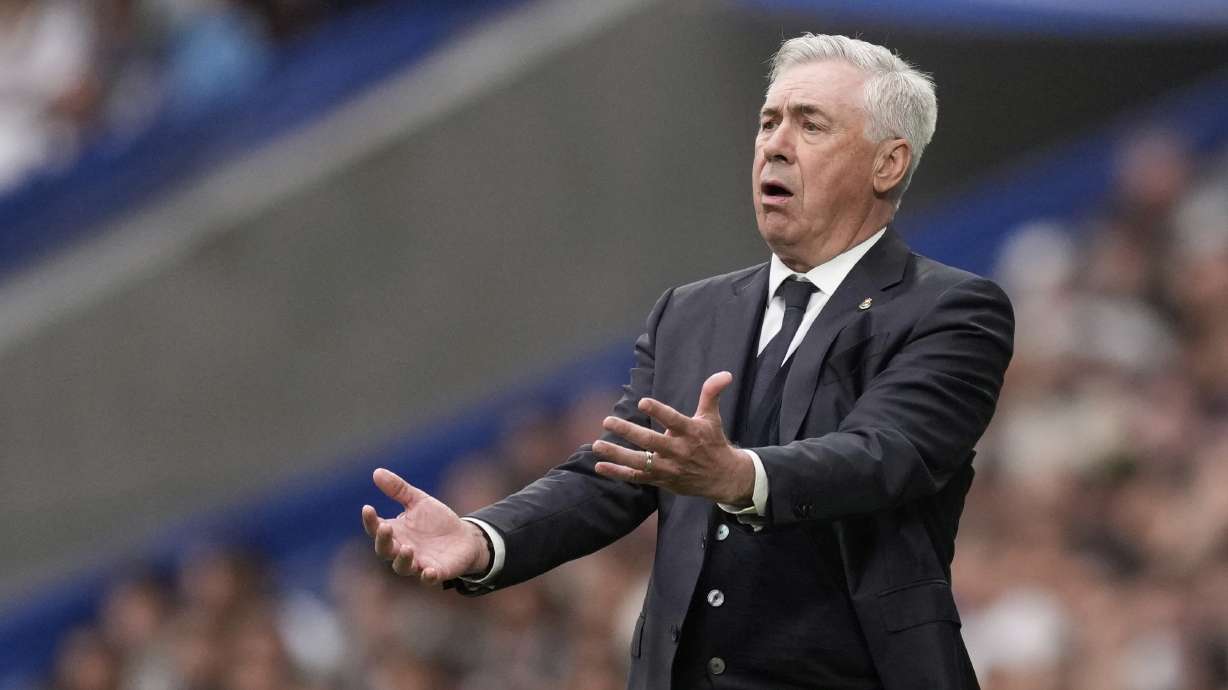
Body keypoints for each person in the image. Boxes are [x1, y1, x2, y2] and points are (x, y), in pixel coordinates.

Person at [361, 33, 1013, 690]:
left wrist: (740, 475)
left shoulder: (952, 309)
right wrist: (484, 539)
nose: (774, 144)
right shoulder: (690, 313)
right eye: (768, 122)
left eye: (809, 124)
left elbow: (886, 455)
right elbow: (615, 472)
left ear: (888, 163)